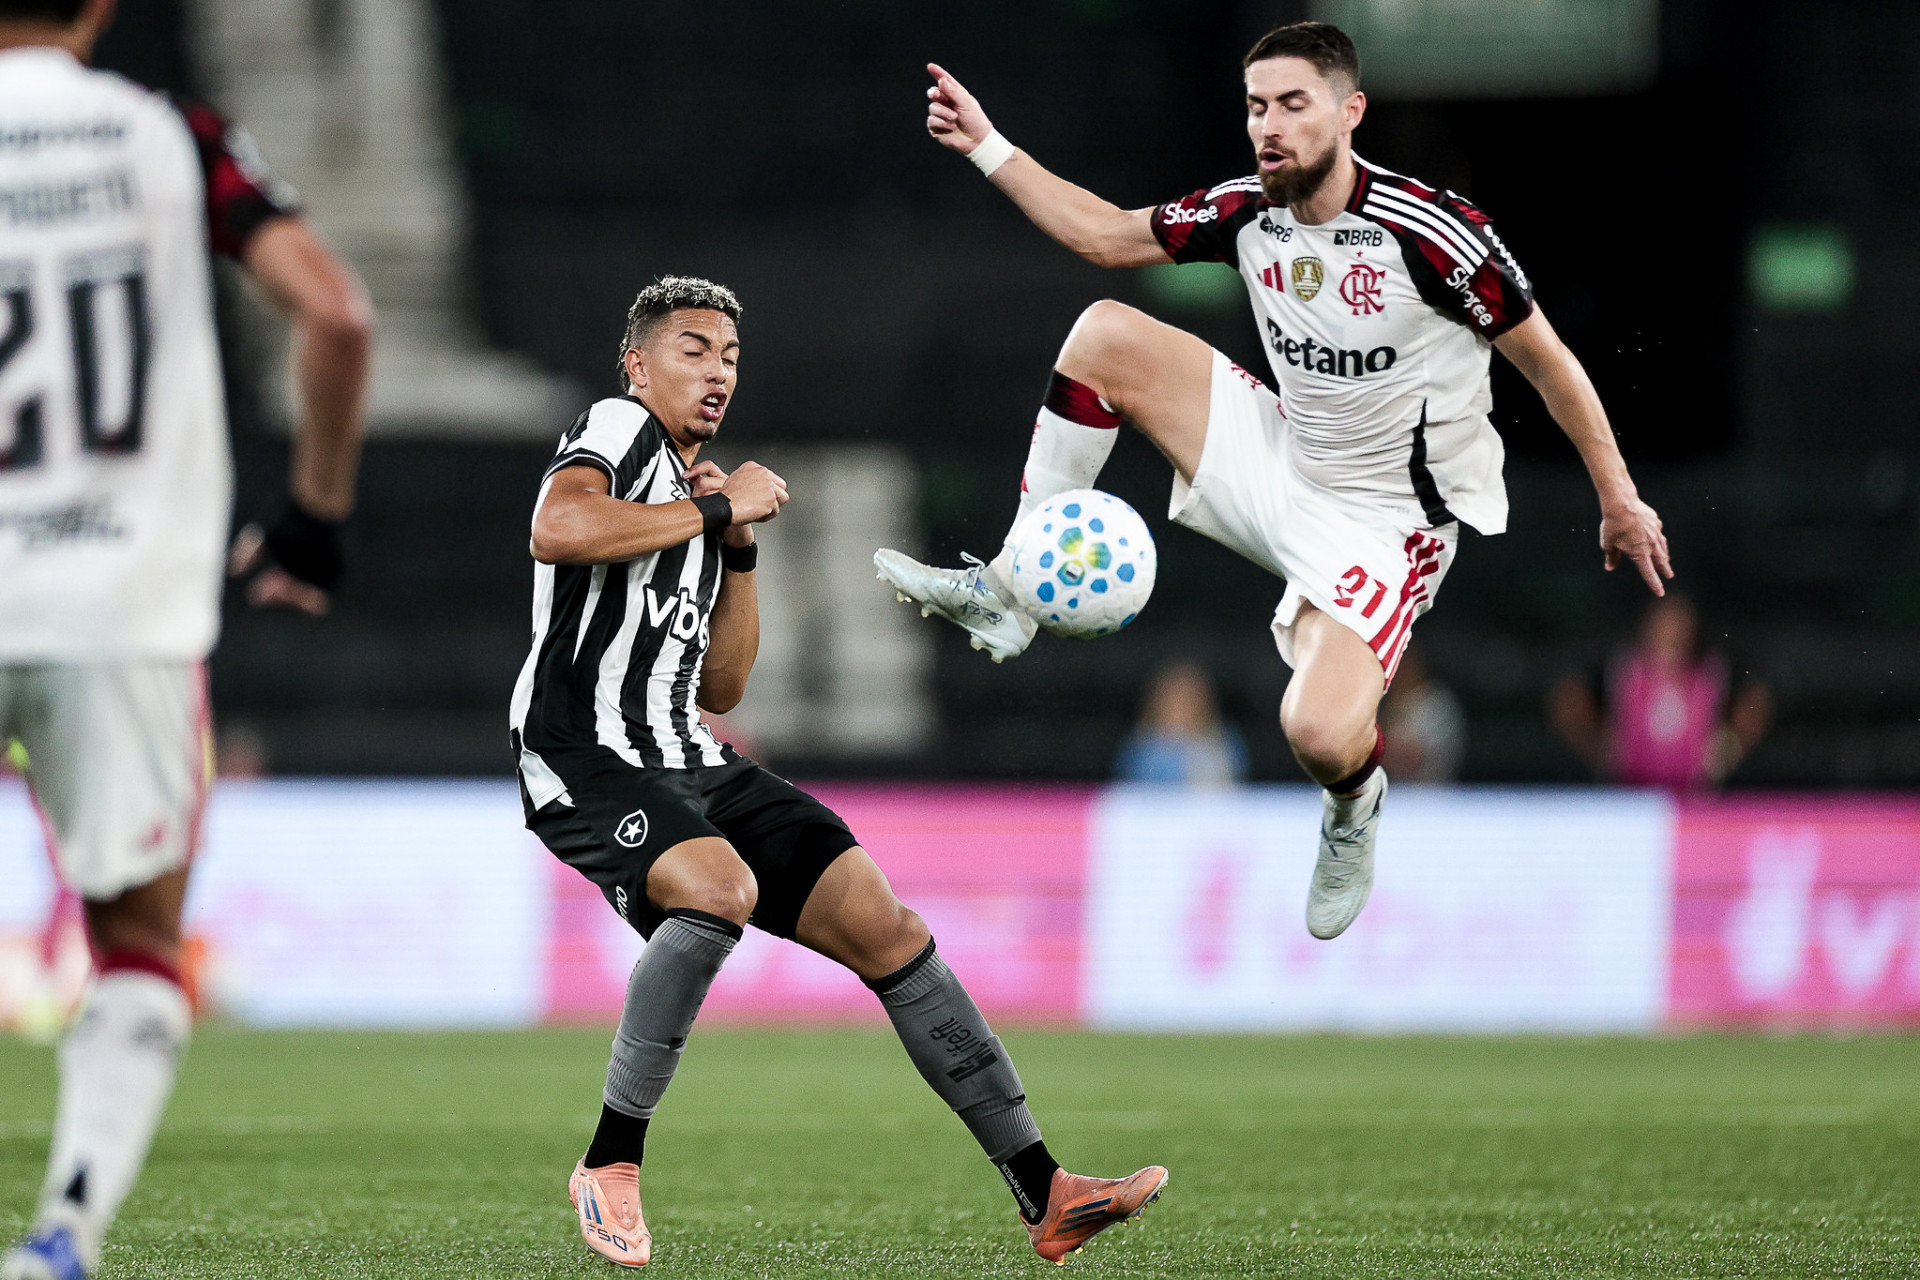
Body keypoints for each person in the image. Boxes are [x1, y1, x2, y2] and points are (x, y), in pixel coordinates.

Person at [875, 21, 1670, 943]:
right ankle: (1010, 590)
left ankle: (1355, 802)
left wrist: (1618, 496)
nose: (1269, 126)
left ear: (1350, 111)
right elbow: (1103, 235)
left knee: (1319, 734)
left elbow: (1549, 361)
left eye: (1293, 104)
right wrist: (986, 143)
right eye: (1257, 107)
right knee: (1103, 335)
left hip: (1389, 523)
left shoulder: (1433, 234)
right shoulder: (1247, 210)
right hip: (1284, 455)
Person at [508, 277, 1166, 1269]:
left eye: (731, 356)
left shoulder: (692, 498)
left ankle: (1047, 1190)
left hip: (690, 753)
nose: (718, 372)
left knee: (887, 927)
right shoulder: (619, 426)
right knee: (717, 889)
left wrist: (735, 546)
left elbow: (724, 684)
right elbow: (556, 528)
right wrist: (715, 504)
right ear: (637, 364)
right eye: (694, 349)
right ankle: (609, 1160)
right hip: (584, 751)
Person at [0, 1, 372, 1275]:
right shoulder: (174, 137)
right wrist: (312, 521)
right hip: (121, 602)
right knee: (136, 942)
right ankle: (63, 1233)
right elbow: (338, 316)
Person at [1549, 594, 1770, 789]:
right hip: (1629, 792)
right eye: (1666, 625)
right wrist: (1601, 752)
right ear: (1648, 627)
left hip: (1694, 795)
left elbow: (1756, 702)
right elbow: (1568, 699)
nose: (1673, 634)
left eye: (1680, 627)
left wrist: (1727, 751)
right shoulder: (1622, 667)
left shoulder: (1710, 670)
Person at [1114, 660, 1247, 787]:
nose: (1181, 704)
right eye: (1174, 697)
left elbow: (1234, 783)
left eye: (1189, 698)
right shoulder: (1140, 744)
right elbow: (1132, 784)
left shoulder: (1224, 741)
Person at [1377, 644, 1465, 783]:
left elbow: (1410, 757)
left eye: (1405, 665)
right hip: (1392, 789)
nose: (1401, 672)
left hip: (1431, 789)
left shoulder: (1436, 703)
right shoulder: (1384, 700)